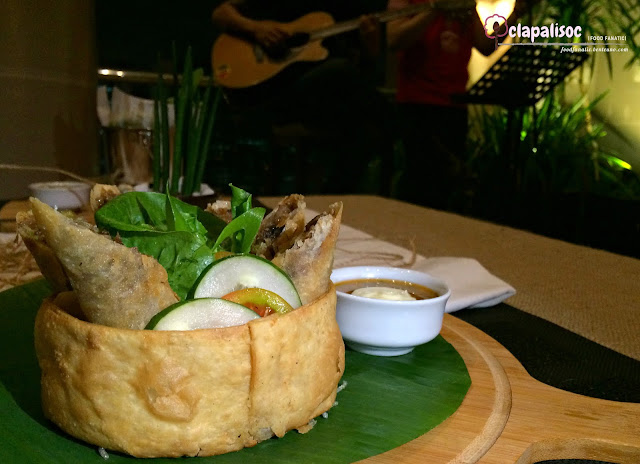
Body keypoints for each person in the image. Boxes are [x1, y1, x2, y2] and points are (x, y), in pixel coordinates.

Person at [211, 1, 394, 194]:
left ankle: (330, 199)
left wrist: (370, 45)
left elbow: (364, 70)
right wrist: (257, 29)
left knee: (368, 131)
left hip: (329, 104)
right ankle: (394, 120)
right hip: (277, 93)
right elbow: (220, 14)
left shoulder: (349, 10)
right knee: (340, 71)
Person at [386, 0, 531, 209]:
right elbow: (395, 39)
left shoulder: (465, 5)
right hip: (418, 105)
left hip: (454, 107)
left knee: (447, 189)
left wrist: (516, 13)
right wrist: (435, 8)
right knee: (419, 187)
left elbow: (486, 45)